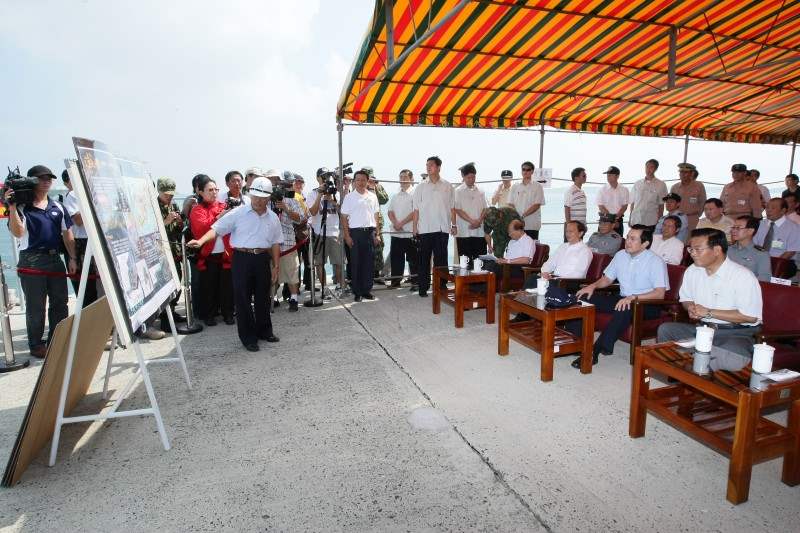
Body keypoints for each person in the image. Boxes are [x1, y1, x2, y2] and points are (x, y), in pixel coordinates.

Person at [187, 177, 281, 352]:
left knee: (263, 297)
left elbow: (275, 242)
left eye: (262, 198)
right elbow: (217, 229)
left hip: (262, 258)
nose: (258, 201)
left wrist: (276, 266)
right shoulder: (238, 213)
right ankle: (248, 337)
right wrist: (200, 241)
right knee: (242, 299)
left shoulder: (273, 217)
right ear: (250, 194)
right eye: (255, 196)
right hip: (242, 258)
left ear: (269, 198)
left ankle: (265, 331)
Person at [569, 225, 669, 368]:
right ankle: (575, 343)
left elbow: (660, 293)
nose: (627, 241)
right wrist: (592, 286)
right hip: (623, 298)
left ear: (645, 244)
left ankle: (595, 351)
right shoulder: (621, 255)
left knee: (624, 307)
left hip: (647, 303)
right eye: (627, 237)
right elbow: (607, 279)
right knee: (582, 298)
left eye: (633, 239)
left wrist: (633, 298)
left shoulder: (655, 261)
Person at [5, 165, 77, 358]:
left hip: (55, 259)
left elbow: (68, 234)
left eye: (49, 178)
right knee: (36, 306)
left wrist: (72, 258)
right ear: (32, 181)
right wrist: (11, 207)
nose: (46, 181)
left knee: (60, 302)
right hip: (31, 261)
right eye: (41, 178)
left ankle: (57, 340)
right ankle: (36, 344)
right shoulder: (21, 208)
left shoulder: (58, 206)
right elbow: (18, 232)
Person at [657, 228, 762, 357]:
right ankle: (676, 368)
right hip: (703, 328)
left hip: (736, 332)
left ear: (717, 250)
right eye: (691, 249)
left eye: (698, 249)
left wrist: (708, 312)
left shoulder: (742, 276)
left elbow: (750, 316)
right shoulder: (693, 270)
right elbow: (686, 299)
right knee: (666, 330)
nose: (693, 254)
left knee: (727, 353)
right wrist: (690, 307)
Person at [189, 175, 234, 326]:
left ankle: (228, 314)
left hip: (226, 253)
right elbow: (201, 229)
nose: (214, 192)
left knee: (227, 286)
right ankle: (209, 315)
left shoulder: (223, 205)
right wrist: (219, 217)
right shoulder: (197, 210)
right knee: (208, 286)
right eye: (210, 190)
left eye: (216, 189)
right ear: (200, 192)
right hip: (209, 255)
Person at [412, 156, 456, 298]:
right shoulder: (420, 186)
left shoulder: (448, 186)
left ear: (438, 167)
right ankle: (423, 287)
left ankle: (441, 286)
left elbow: (452, 208)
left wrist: (454, 225)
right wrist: (414, 228)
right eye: (427, 165)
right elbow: (416, 210)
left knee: (441, 260)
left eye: (431, 165)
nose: (428, 167)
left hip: (442, 229)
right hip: (425, 229)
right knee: (423, 260)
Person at [61, 168, 98, 308]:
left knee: (94, 287)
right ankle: (87, 317)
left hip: (92, 241)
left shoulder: (89, 193)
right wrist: (93, 203)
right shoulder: (73, 195)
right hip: (81, 244)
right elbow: (78, 220)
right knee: (86, 289)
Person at [341, 169, 380, 301]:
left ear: (367, 181)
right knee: (356, 263)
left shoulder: (372, 196)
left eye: (363, 180)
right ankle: (357, 292)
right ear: (354, 181)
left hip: (370, 232)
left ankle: (366, 290)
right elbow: (343, 217)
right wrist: (347, 236)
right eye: (358, 180)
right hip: (355, 233)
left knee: (369, 263)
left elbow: (376, 215)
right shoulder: (349, 197)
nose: (361, 182)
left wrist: (377, 234)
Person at [156, 177, 187, 332]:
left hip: (175, 250)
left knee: (177, 283)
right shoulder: (153, 206)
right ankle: (165, 320)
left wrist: (180, 222)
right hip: (161, 253)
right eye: (166, 194)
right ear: (159, 191)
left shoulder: (173, 205)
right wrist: (165, 222)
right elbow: (149, 230)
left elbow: (178, 228)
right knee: (166, 286)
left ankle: (172, 311)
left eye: (172, 194)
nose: (169, 197)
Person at [271, 174, 306, 311]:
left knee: (292, 272)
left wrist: (286, 208)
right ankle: (273, 297)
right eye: (282, 184)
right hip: (269, 244)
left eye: (287, 184)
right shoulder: (267, 198)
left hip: (288, 243)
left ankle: (294, 298)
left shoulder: (293, 199)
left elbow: (300, 219)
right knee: (271, 272)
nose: (284, 187)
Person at [307, 168, 345, 292]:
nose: (326, 179)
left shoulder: (335, 193)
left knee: (339, 262)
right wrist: (320, 195)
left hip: (335, 232)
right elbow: (312, 212)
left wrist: (332, 201)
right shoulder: (313, 193)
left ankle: (339, 286)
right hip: (319, 232)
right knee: (319, 263)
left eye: (328, 176)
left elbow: (343, 212)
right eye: (323, 176)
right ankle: (324, 289)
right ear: (317, 178)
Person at [526, 220, 592, 286]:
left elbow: (579, 274)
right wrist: (545, 272)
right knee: (532, 278)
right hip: (554, 279)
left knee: (536, 283)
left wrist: (556, 279)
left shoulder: (585, 251)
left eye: (571, 231)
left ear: (580, 233)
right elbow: (550, 263)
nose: (567, 234)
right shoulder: (563, 246)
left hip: (568, 283)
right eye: (566, 231)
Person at [753, 197, 800, 277]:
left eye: (773, 208)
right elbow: (754, 244)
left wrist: (773, 264)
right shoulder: (760, 224)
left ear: (783, 211)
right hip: (759, 259)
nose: (768, 210)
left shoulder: (794, 228)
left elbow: (790, 252)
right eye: (767, 207)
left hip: (782, 261)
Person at [387, 169, 417, 289]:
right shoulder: (395, 195)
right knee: (396, 260)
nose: (402, 179)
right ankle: (395, 282)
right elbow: (390, 211)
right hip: (396, 233)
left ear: (411, 179)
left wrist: (401, 223)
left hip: (410, 233)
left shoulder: (415, 193)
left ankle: (415, 283)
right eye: (401, 177)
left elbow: (415, 212)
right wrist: (396, 223)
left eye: (405, 177)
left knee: (413, 260)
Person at [454, 163, 488, 269]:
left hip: (479, 232)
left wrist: (479, 221)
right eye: (468, 177)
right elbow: (458, 209)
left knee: (480, 262)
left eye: (473, 177)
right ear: (463, 177)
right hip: (464, 232)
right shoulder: (458, 191)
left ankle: (480, 280)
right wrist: (472, 221)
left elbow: (485, 208)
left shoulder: (481, 191)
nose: (471, 179)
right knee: (465, 263)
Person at [508, 161, 545, 239]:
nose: (525, 171)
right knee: (516, 246)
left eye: (528, 170)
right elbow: (510, 204)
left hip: (532, 225)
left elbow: (537, 205)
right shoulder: (515, 186)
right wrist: (517, 217)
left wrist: (522, 216)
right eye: (523, 169)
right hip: (517, 225)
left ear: (532, 171)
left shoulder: (538, 186)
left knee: (531, 246)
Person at [728, 216, 772, 281]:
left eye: (738, 228)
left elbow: (765, 278)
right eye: (733, 227)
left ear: (750, 231)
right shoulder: (727, 250)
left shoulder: (761, 254)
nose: (734, 231)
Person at [629, 159, 667, 231]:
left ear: (656, 169)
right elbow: (632, 203)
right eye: (647, 167)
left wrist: (659, 222)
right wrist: (630, 218)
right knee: (634, 237)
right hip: (636, 220)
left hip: (651, 221)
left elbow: (661, 205)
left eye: (651, 167)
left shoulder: (661, 185)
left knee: (649, 238)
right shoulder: (637, 183)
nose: (648, 169)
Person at [670, 162, 706, 231]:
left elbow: (703, 202)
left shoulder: (699, 186)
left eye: (685, 172)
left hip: (692, 219)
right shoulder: (674, 187)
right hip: (677, 219)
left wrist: (697, 215)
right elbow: (670, 204)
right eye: (681, 172)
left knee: (690, 237)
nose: (682, 174)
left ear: (692, 173)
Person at [596, 166, 629, 235]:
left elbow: (625, 206)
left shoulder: (624, 189)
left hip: (618, 220)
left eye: (610, 175)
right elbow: (601, 207)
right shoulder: (602, 190)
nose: (608, 176)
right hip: (605, 221)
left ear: (617, 176)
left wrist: (615, 219)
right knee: (602, 240)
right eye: (607, 175)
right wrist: (612, 220)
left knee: (618, 240)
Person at [563, 167, 587, 239]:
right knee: (570, 245)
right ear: (576, 178)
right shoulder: (570, 191)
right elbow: (567, 208)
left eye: (585, 175)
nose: (586, 177)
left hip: (580, 226)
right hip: (572, 226)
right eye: (583, 175)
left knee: (579, 245)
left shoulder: (582, 192)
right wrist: (569, 226)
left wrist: (584, 225)